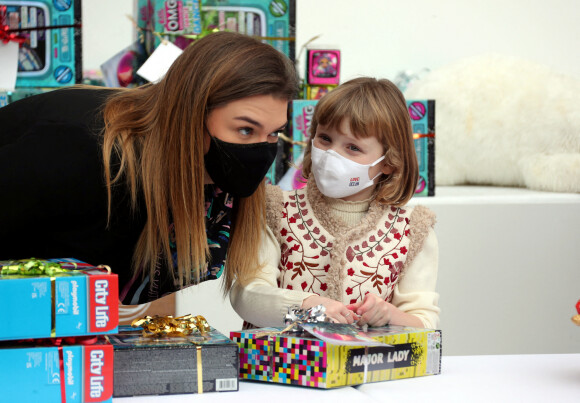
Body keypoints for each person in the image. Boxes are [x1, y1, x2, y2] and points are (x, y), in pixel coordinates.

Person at [0, 32, 299, 304]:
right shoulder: (81, 149)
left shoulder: (217, 186)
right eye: (246, 130)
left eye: (274, 133)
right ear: (191, 115)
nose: (262, 148)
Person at [230, 77, 439, 329]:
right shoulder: (275, 210)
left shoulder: (412, 230)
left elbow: (425, 321)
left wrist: (390, 315)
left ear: (388, 161)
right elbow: (247, 296)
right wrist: (306, 306)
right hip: (282, 365)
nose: (332, 155)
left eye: (352, 147)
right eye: (325, 139)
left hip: (362, 366)